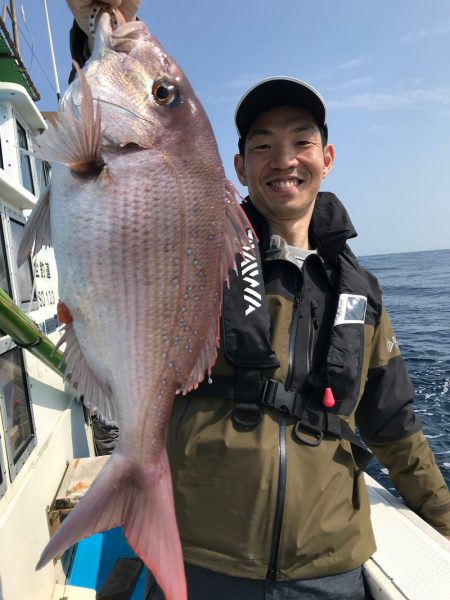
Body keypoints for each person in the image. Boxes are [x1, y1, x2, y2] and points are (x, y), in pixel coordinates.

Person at [66, 3, 450, 599]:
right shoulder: (201, 251)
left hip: (330, 565)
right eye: (263, 146)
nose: (284, 159)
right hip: (206, 557)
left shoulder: (361, 293)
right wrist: (97, 26)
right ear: (239, 167)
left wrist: (444, 518)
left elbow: (395, 427)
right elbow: (120, 194)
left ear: (327, 158)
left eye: (302, 141)